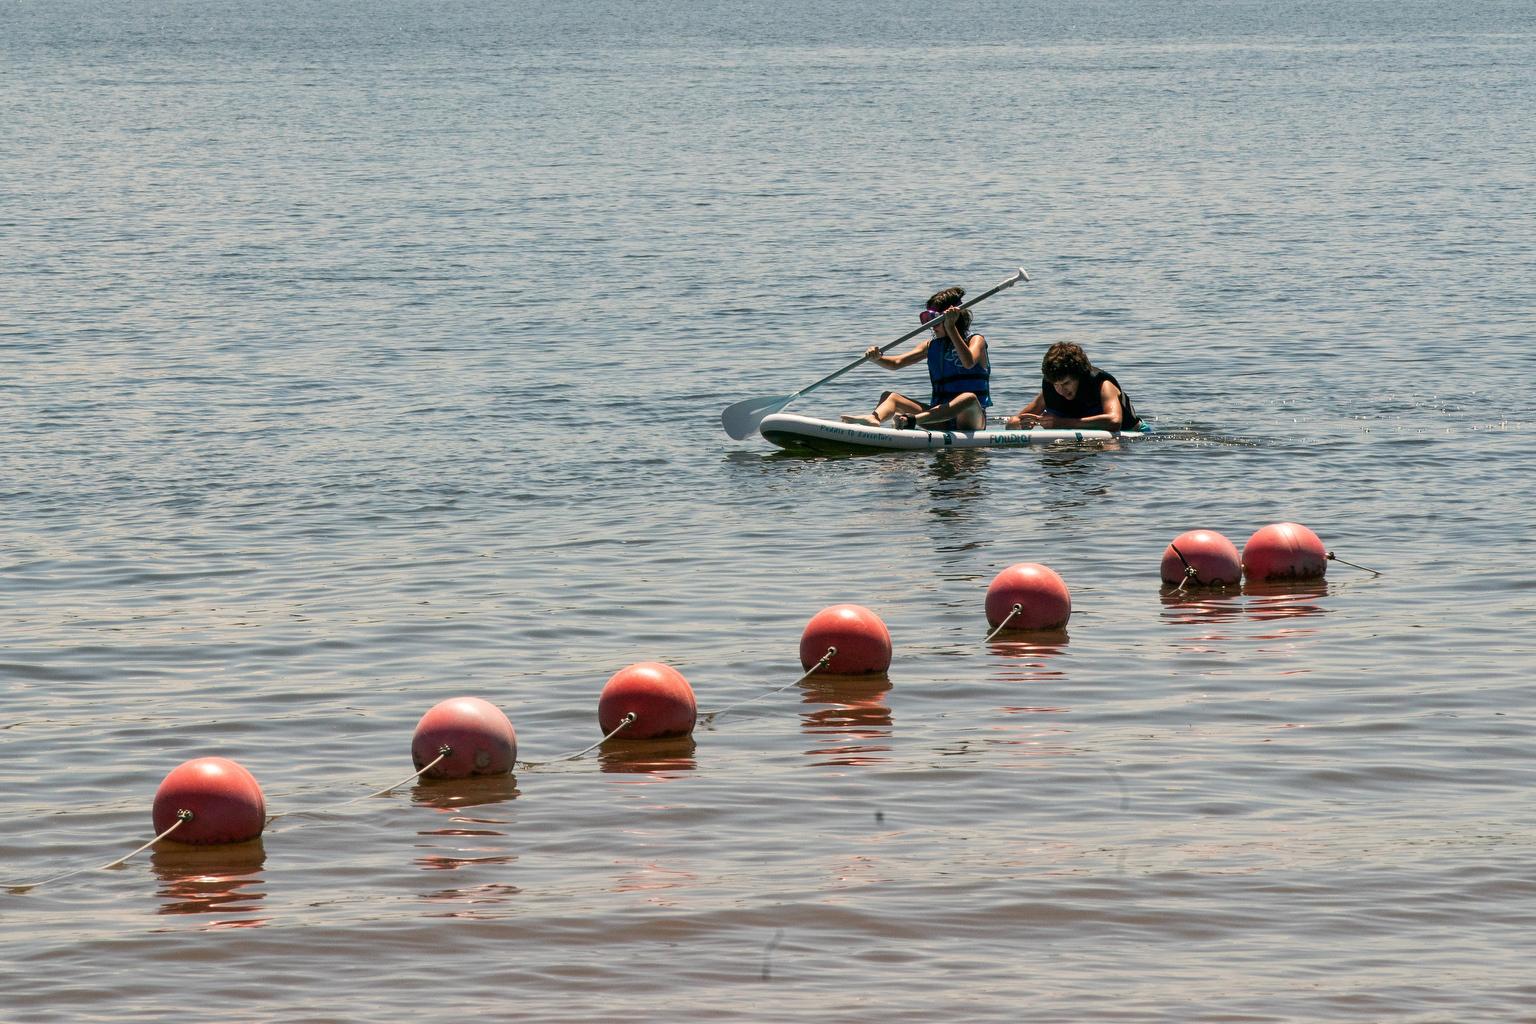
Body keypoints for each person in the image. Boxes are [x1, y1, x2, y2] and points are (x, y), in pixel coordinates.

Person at [839, 287, 990, 431]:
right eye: (929, 318)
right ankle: (874, 420)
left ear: (953, 319)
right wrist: (877, 358)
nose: (932, 326)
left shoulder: (975, 340)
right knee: (890, 397)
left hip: (970, 420)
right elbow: (896, 363)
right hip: (938, 419)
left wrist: (951, 329)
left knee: (968, 398)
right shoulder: (930, 346)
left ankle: (912, 420)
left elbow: (968, 363)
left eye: (936, 319)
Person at [1005, 341, 1139, 431]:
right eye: (1056, 384)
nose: (1060, 390)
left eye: (1066, 383)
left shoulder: (1103, 385)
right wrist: (1019, 424)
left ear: (1080, 376)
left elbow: (1115, 421)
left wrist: (1061, 423)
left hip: (1131, 435)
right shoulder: (1051, 391)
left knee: (1110, 450)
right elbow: (1013, 421)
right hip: (1085, 440)